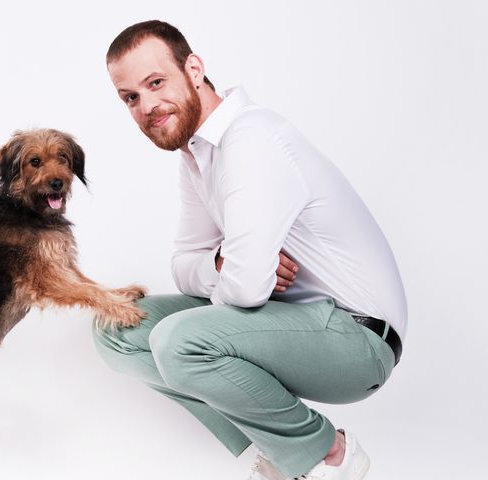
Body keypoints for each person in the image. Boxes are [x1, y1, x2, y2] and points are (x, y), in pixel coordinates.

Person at [92, 19, 407, 480]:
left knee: (179, 341)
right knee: (118, 331)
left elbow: (244, 293)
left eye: (155, 82)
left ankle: (328, 454)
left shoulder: (250, 137)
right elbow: (186, 266)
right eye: (130, 97)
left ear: (194, 69)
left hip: (358, 339)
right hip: (297, 325)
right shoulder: (197, 154)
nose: (146, 106)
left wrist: (236, 275)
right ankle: (272, 460)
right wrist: (225, 265)